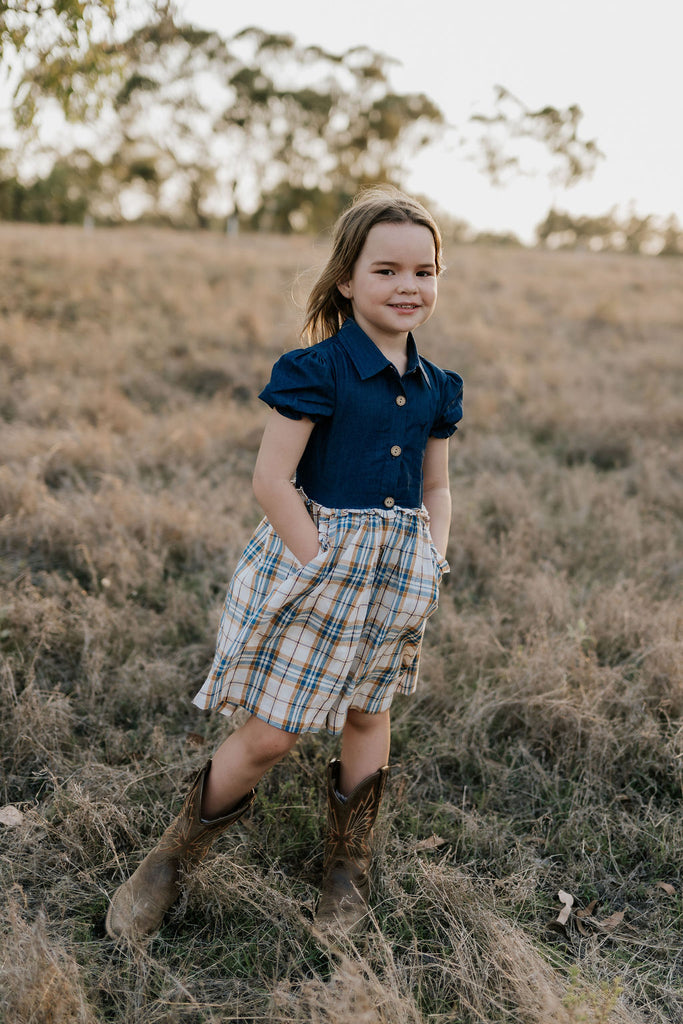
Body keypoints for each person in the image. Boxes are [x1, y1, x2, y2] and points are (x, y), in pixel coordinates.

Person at [105, 186, 463, 941]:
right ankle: (172, 858)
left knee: (369, 710)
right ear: (346, 279)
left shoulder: (438, 388)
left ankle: (345, 867)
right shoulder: (316, 369)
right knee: (274, 732)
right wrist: (317, 560)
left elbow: (435, 484)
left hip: (400, 570)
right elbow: (271, 481)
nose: (408, 287)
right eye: (386, 271)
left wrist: (431, 557)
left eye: (423, 271)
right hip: (318, 559)